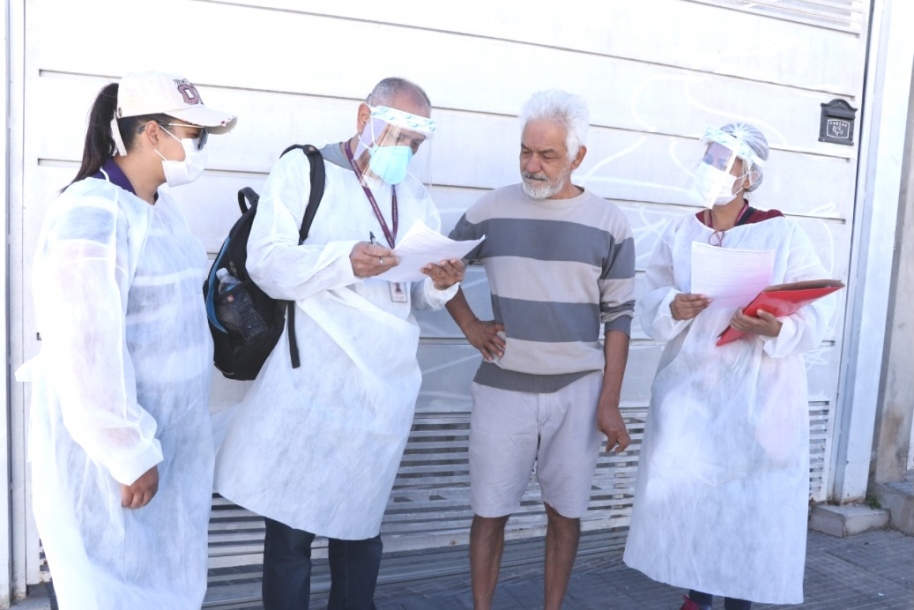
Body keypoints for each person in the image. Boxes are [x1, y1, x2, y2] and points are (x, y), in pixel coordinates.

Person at [213, 77, 465, 610]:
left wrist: (442, 282)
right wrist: (341, 260)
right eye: (397, 136)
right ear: (362, 117)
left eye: (415, 145)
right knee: (291, 536)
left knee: (360, 533)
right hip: (313, 385)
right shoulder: (305, 171)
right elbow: (266, 262)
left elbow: (418, 298)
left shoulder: (415, 197)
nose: (404, 153)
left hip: (382, 392)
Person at [16, 71, 236, 608]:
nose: (199, 147)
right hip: (116, 455)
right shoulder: (90, 214)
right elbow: (82, 346)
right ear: (152, 135)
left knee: (160, 581)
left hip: (168, 438)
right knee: (109, 587)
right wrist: (125, 450)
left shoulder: (158, 210)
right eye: (193, 134)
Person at [622, 124, 836, 609]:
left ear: (749, 175)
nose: (713, 170)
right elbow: (652, 296)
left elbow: (815, 306)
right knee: (694, 502)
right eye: (710, 158)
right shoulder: (682, 232)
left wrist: (774, 327)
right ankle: (696, 594)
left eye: (725, 163)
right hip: (691, 391)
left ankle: (740, 598)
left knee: (746, 506)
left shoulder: (781, 232)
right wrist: (671, 307)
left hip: (757, 396)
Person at [446, 89, 636, 610]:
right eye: (526, 151)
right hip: (502, 387)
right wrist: (468, 324)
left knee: (566, 514)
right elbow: (439, 268)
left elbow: (619, 317)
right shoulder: (490, 210)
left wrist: (610, 401)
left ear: (577, 157)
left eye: (547, 155)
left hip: (578, 390)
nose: (532, 164)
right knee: (488, 511)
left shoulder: (610, 223)